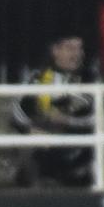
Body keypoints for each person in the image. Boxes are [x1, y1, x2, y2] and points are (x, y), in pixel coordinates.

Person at [10, 32, 94, 186]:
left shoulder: (91, 79)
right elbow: (17, 113)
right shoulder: (37, 78)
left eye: (79, 49)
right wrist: (30, 130)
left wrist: (68, 120)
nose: (76, 54)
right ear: (55, 50)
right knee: (30, 152)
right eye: (70, 48)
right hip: (43, 140)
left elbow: (99, 118)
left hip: (79, 143)